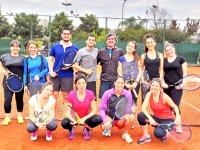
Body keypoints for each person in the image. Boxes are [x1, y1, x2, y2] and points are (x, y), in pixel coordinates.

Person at [137, 78, 181, 144]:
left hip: (168, 120)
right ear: (150, 86)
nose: (154, 87)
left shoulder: (164, 97)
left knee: (158, 133)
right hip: (157, 119)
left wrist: (178, 117)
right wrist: (150, 119)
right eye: (153, 85)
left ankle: (164, 133)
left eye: (157, 86)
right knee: (140, 115)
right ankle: (146, 136)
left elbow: (175, 107)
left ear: (160, 88)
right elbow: (143, 108)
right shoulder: (149, 94)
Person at [61, 75, 102, 140]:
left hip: (86, 119)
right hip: (75, 118)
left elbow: (94, 110)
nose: (81, 85)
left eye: (83, 83)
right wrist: (72, 120)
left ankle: (86, 129)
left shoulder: (90, 93)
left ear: (86, 84)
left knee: (98, 119)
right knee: (64, 122)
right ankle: (71, 129)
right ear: (76, 85)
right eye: (79, 83)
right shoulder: (71, 94)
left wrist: (83, 119)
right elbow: (67, 111)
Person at [99, 76, 135, 143]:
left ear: (124, 84)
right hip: (109, 117)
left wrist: (131, 110)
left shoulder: (128, 94)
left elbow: (128, 110)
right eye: (118, 82)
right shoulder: (107, 93)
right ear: (114, 83)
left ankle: (125, 134)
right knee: (103, 126)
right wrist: (105, 120)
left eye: (122, 83)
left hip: (120, 119)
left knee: (132, 117)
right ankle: (108, 128)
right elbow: (101, 109)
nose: (119, 84)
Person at [48, 27, 78, 101]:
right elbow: (50, 59)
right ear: (61, 34)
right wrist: (51, 71)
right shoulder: (55, 46)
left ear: (70, 35)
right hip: (55, 74)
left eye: (68, 34)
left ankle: (66, 113)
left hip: (68, 75)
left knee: (66, 95)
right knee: (54, 95)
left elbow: (77, 62)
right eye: (64, 34)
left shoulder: (75, 48)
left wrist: (70, 66)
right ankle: (52, 112)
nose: (66, 35)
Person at [162, 42, 187, 131]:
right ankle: (169, 123)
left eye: (170, 49)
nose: (169, 51)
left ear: (174, 49)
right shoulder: (164, 60)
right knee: (168, 106)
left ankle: (178, 125)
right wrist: (163, 82)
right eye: (167, 50)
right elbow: (161, 73)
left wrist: (182, 84)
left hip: (177, 86)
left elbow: (185, 73)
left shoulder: (181, 59)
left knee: (175, 105)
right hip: (166, 86)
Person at [0, 40, 25, 125]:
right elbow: (1, 66)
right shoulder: (4, 57)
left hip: (20, 82)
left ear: (19, 48)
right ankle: (7, 117)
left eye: (17, 46)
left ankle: (19, 116)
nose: (15, 48)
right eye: (13, 46)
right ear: (10, 47)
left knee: (19, 99)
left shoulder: (23, 58)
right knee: (7, 100)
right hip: (7, 82)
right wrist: (3, 71)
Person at [97, 33, 124, 99]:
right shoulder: (101, 52)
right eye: (109, 39)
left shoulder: (120, 51)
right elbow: (95, 63)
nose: (110, 40)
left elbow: (124, 64)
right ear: (106, 41)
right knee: (103, 99)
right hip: (104, 80)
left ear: (115, 40)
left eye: (112, 39)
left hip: (115, 81)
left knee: (114, 100)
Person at [140, 34, 164, 103]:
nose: (149, 44)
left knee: (157, 101)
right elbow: (141, 69)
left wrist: (160, 80)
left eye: (151, 42)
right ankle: (144, 114)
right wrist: (143, 80)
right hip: (146, 82)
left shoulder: (160, 55)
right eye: (148, 43)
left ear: (155, 43)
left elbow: (161, 69)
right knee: (145, 101)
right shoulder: (143, 56)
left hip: (156, 82)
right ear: (146, 44)